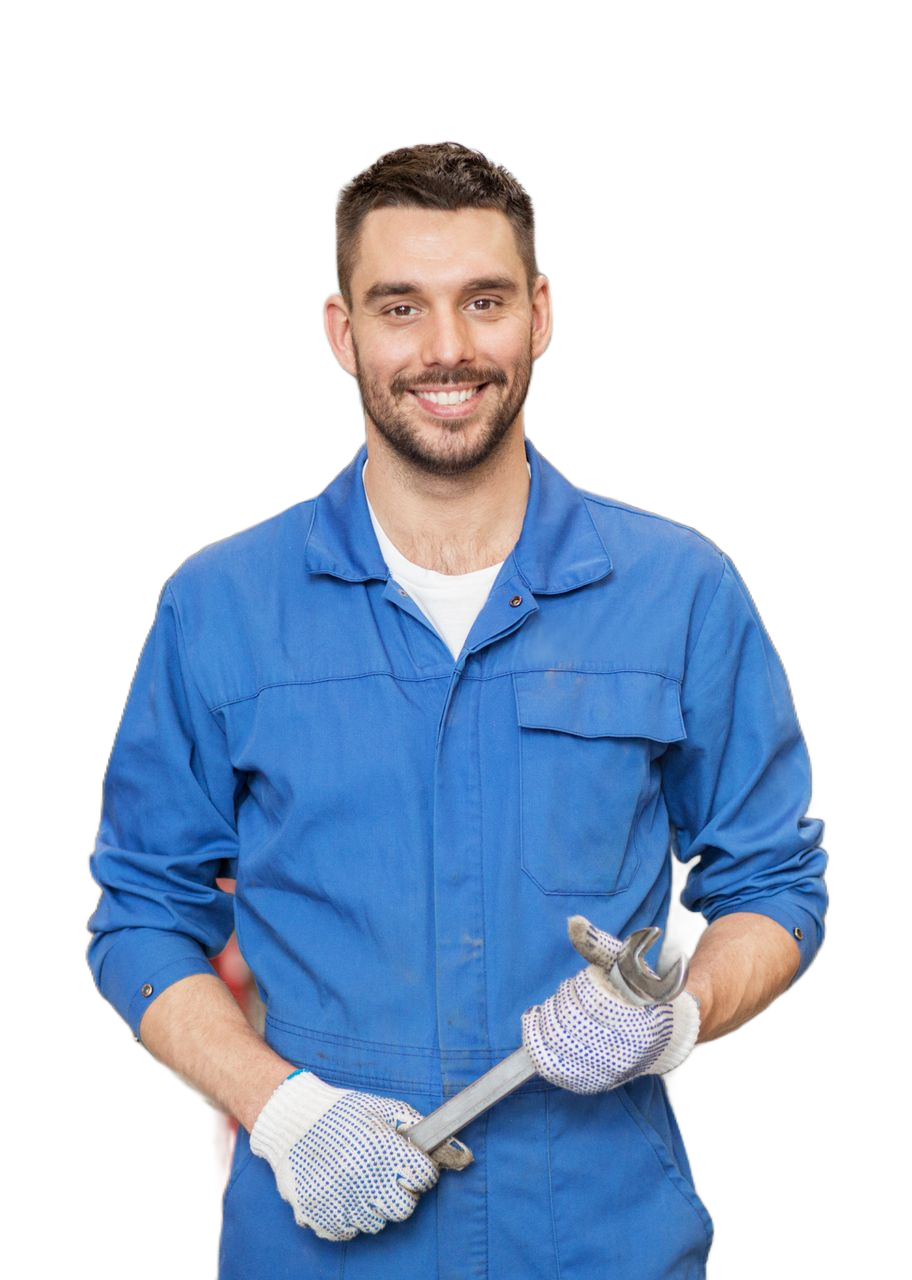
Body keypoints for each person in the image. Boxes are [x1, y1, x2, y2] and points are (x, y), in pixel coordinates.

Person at [86, 140, 828, 1279]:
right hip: (321, 1250)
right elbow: (140, 911)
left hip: (607, 1245)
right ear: (342, 330)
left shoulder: (678, 590)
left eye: (483, 301)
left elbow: (775, 886)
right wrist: (277, 1110)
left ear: (538, 314)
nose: (446, 349)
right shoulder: (220, 605)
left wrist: (675, 1017)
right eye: (401, 306)